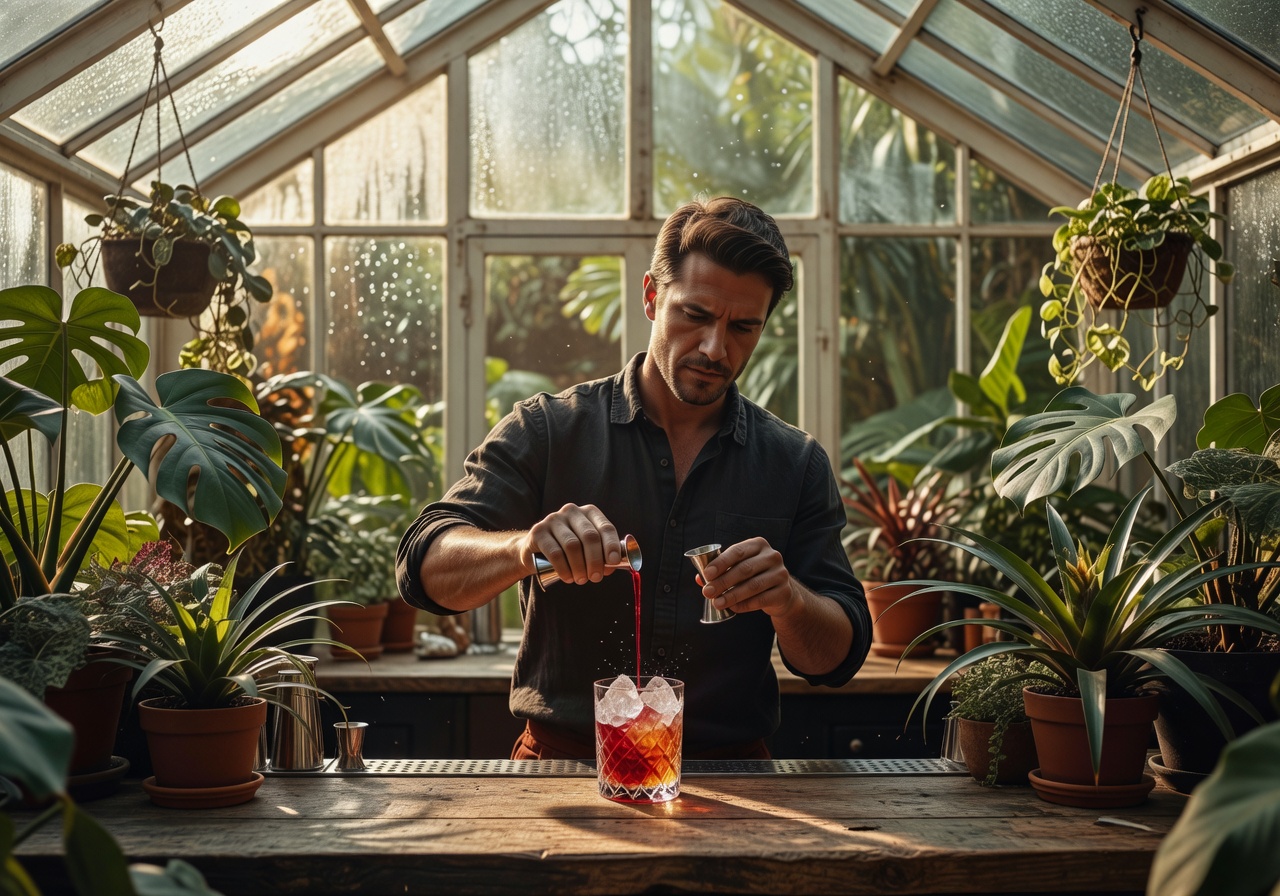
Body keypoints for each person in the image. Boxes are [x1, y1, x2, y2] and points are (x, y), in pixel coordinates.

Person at [397, 196, 870, 761]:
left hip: (737, 777)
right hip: (561, 770)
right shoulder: (550, 431)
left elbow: (837, 658)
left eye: (744, 327)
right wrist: (526, 548)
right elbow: (423, 567)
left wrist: (789, 600)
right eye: (694, 315)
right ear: (651, 296)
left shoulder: (795, 464)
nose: (715, 348)